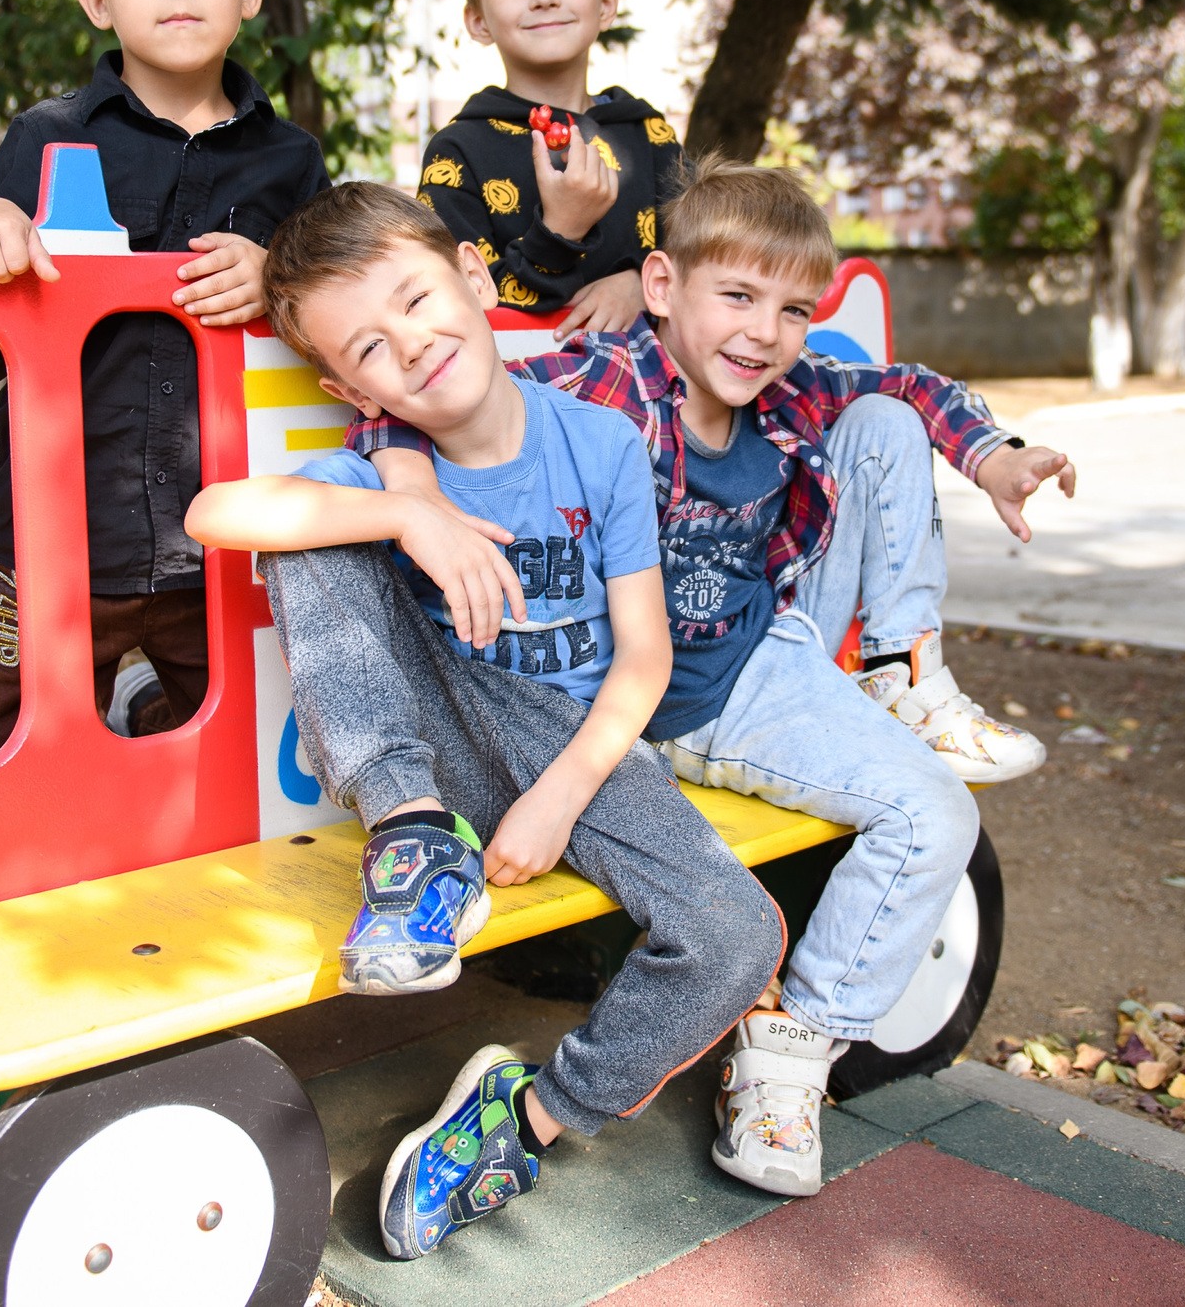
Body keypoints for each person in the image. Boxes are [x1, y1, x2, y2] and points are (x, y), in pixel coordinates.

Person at [354, 159, 1078, 1199]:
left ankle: (794, 1037)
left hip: (768, 649)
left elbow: (914, 386)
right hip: (658, 697)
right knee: (928, 815)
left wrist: (994, 454)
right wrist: (411, 489)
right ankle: (767, 1052)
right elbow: (427, 396)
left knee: (885, 425)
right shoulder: (609, 384)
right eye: (736, 295)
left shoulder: (789, 390)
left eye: (793, 310)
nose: (765, 333)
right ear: (661, 286)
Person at [184, 183, 782, 1260]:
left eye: (417, 299)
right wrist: (405, 514)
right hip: (433, 749)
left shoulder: (598, 441)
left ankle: (524, 1117)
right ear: (346, 386)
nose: (409, 344)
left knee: (737, 935)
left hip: (576, 751)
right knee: (309, 529)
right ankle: (414, 846)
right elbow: (213, 513)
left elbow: (644, 655)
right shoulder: (375, 470)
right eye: (370, 347)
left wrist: (559, 798)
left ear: (471, 275)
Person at [0, 0, 325, 768]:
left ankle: (148, 716)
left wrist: (281, 279)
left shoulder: (293, 161)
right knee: (2, 777)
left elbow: (342, 331)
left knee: (237, 781)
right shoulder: (46, 137)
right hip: (46, 547)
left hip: (226, 546)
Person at [415, 0, 682, 339]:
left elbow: (712, 260)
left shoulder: (650, 134)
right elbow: (457, 306)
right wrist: (561, 230)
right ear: (478, 21)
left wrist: (644, 283)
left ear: (606, 4)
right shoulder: (457, 153)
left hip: (659, 385)